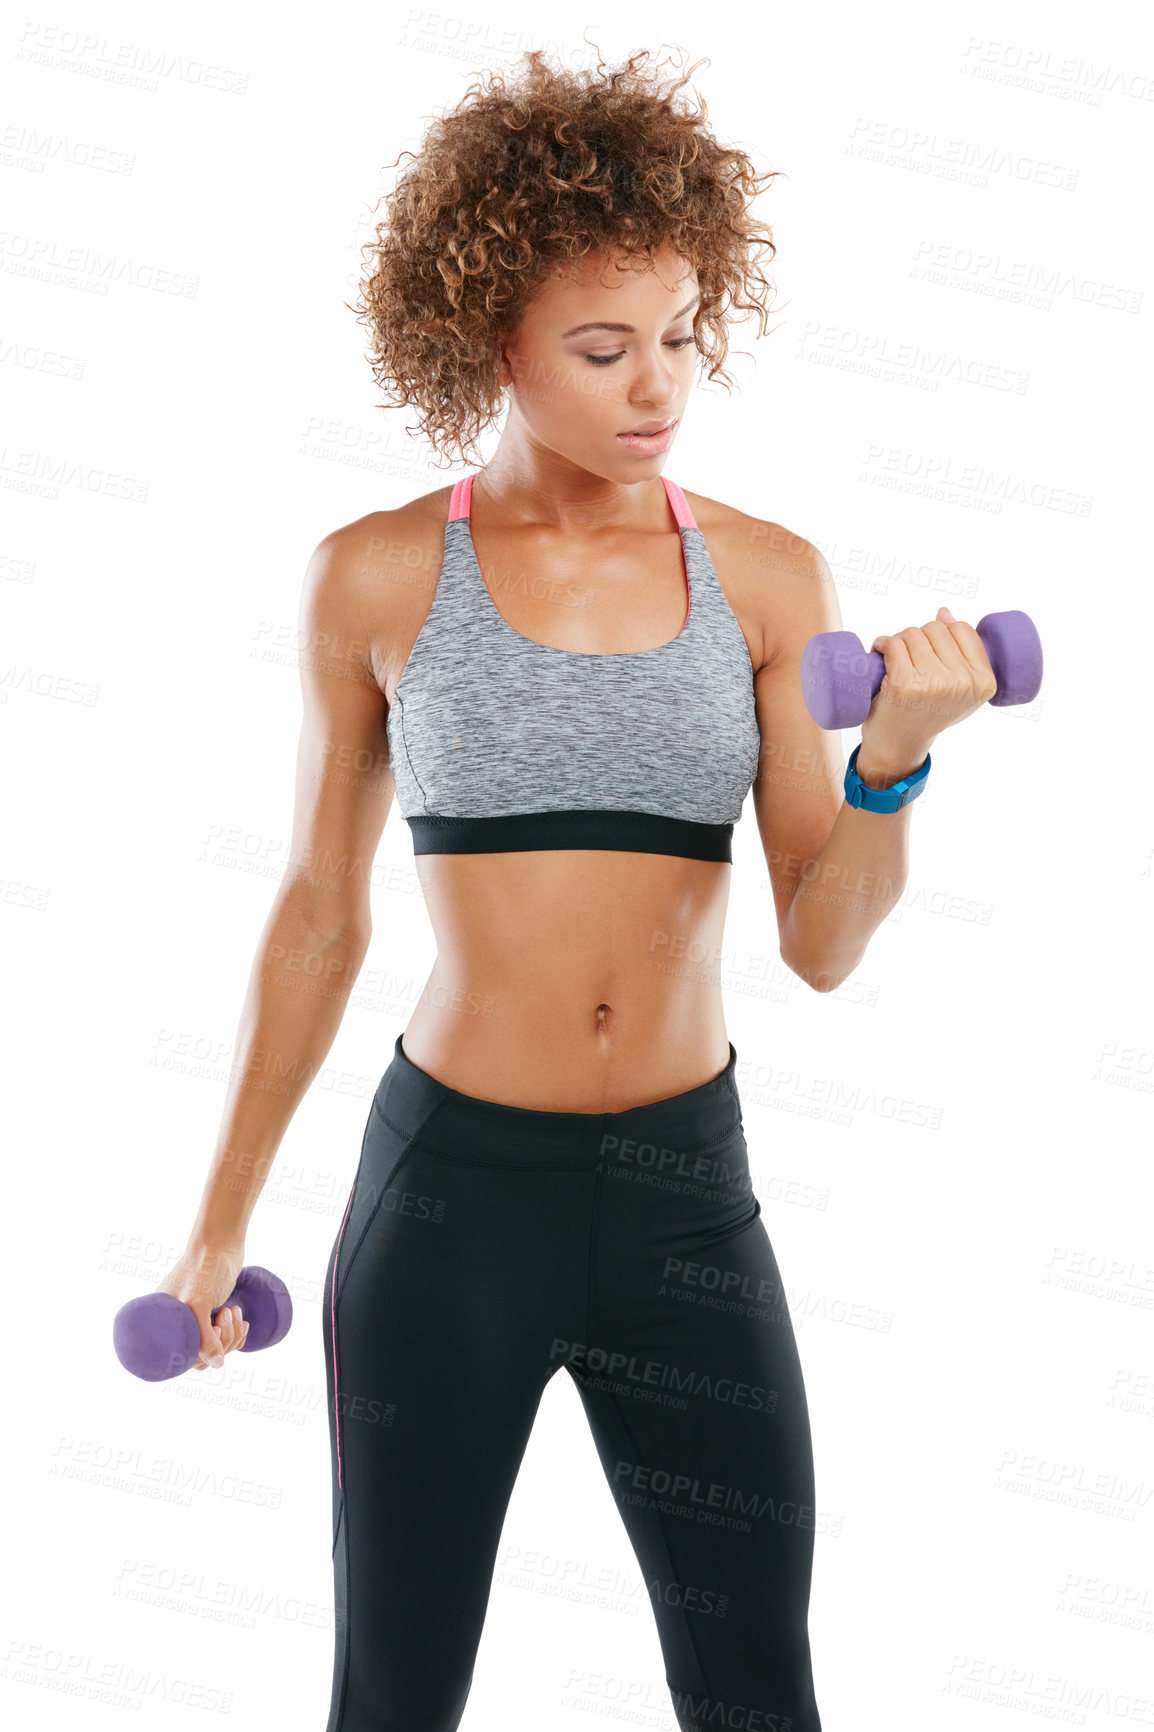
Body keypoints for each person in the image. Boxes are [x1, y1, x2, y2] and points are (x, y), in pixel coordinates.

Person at [160, 44, 997, 1732]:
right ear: (492, 340)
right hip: (452, 1199)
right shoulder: (381, 574)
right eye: (603, 348)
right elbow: (321, 917)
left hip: (685, 1193)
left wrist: (896, 759)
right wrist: (217, 1222)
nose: (655, 387)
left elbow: (820, 944)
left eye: (680, 336)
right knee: (394, 1693)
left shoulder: (764, 578)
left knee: (756, 1686)